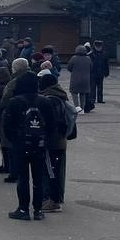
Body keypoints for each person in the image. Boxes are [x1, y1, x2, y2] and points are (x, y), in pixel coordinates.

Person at [1, 71, 62, 221]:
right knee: (38, 178)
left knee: (23, 178)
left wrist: (14, 140)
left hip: (21, 144)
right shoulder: (45, 101)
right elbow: (52, 124)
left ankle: (23, 208)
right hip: (40, 144)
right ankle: (37, 209)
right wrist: (45, 139)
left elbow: (7, 125)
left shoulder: (15, 101)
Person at [38, 69, 75, 212]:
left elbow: (51, 123)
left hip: (52, 142)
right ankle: (57, 197)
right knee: (56, 170)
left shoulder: (51, 100)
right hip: (60, 140)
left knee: (50, 171)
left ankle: (52, 201)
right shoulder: (60, 96)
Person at [67, 44, 93, 113]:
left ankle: (77, 107)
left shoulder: (74, 58)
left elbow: (69, 68)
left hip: (75, 79)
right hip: (86, 80)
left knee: (74, 93)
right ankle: (82, 108)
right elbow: (91, 68)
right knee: (83, 94)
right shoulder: (88, 58)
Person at [89, 40, 110, 109]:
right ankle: (92, 99)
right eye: (97, 46)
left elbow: (106, 64)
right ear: (94, 46)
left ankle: (100, 99)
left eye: (100, 46)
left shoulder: (104, 54)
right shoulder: (91, 54)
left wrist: (106, 73)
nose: (99, 48)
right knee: (93, 87)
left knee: (100, 87)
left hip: (101, 73)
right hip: (93, 73)